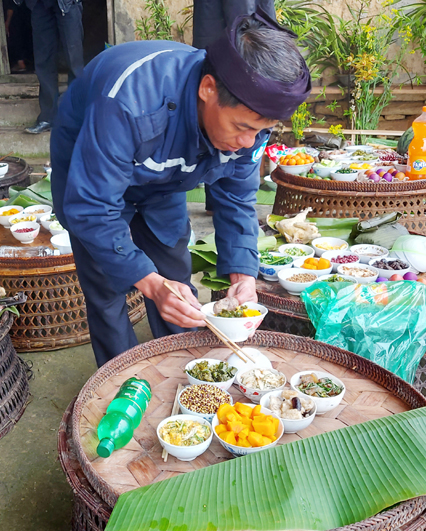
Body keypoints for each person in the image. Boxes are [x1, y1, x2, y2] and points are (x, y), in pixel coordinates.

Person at [50, 11, 310, 366]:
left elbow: (237, 197)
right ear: (208, 89)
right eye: (241, 127)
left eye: (261, 131)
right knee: (106, 282)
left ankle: (181, 366)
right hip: (92, 160)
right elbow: (92, 207)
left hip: (165, 172)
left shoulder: (247, 129)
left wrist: (243, 274)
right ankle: (122, 380)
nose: (249, 142)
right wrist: (148, 283)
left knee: (173, 263)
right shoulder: (128, 101)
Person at [192, 0, 276, 215]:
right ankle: (226, 200)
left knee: (235, 131)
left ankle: (224, 201)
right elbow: (244, 23)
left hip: (227, 50)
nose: (249, 139)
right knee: (228, 123)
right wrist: (251, 64)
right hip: (239, 60)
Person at [23, 0, 84, 135]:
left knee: (74, 61)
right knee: (43, 60)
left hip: (67, 3)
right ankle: (47, 118)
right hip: (39, 4)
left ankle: (77, 117)